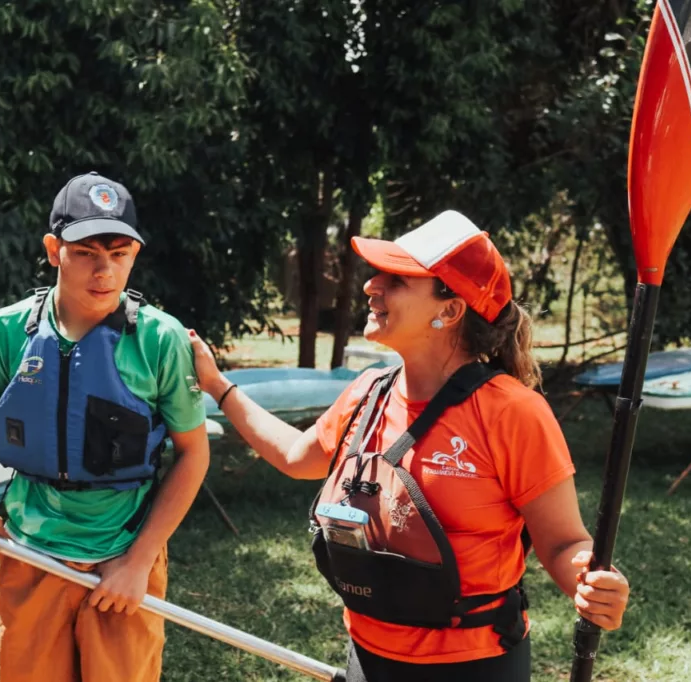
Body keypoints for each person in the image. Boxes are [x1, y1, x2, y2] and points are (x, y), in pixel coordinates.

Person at [189, 210, 630, 682]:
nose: (370, 286)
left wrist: (589, 579)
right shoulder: (368, 392)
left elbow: (563, 542)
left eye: (397, 279)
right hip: (367, 656)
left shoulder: (511, 412)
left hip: (473, 666)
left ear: (450, 309)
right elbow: (298, 457)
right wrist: (218, 388)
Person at [0, 171, 210, 682]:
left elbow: (194, 453)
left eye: (120, 254)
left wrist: (139, 561)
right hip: (29, 550)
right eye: (87, 252)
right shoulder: (9, 329)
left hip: (123, 557)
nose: (105, 270)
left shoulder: (160, 338)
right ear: (54, 250)